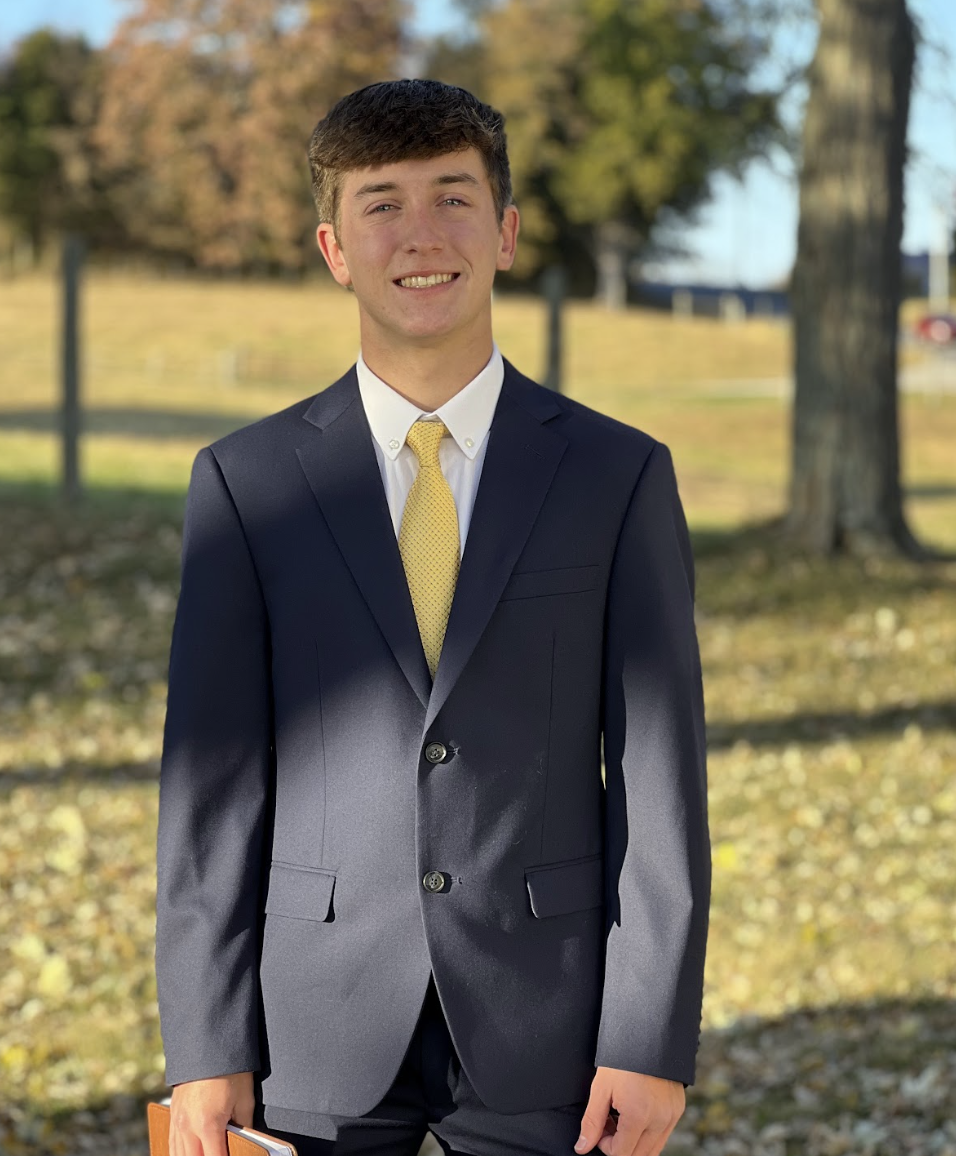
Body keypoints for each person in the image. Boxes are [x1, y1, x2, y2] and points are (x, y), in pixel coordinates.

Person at [156, 78, 710, 1156]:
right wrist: (204, 1040)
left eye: (454, 198)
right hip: (307, 1021)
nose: (422, 234)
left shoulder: (617, 474)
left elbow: (660, 770)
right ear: (334, 249)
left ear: (504, 234)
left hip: (548, 1016)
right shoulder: (245, 482)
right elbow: (209, 785)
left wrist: (648, 1035)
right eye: (383, 204)